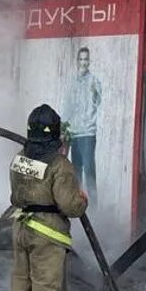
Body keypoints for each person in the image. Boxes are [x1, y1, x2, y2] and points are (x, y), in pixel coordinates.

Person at [2, 104, 88, 291]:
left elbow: (15, 197)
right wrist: (82, 200)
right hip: (47, 236)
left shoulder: (19, 158)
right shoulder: (60, 165)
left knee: (21, 289)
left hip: (21, 228)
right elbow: (70, 206)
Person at [62, 47, 101, 199]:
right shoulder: (72, 83)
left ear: (89, 61)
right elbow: (67, 106)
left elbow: (99, 102)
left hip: (88, 133)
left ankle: (94, 207)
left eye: (86, 59)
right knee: (76, 170)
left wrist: (94, 93)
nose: (84, 62)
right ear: (77, 61)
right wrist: (64, 128)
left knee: (89, 170)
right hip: (73, 133)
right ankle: (76, 204)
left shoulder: (94, 81)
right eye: (81, 59)